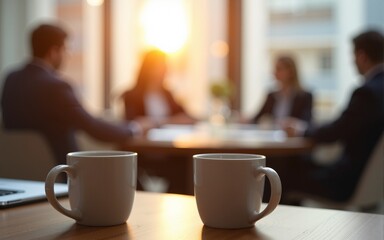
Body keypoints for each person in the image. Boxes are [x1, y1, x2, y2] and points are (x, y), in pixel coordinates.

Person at [1, 23, 147, 165]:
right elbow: (93, 128)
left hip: (16, 173)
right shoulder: (56, 87)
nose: (68, 55)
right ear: (53, 52)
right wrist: (134, 128)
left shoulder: (10, 79)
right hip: (63, 174)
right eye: (66, 49)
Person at [281, 29, 384, 203]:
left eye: (353, 55)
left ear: (362, 56)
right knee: (296, 164)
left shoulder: (367, 93)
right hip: (366, 177)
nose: (352, 61)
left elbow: (336, 132)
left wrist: (302, 130)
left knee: (278, 174)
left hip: (345, 181)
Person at [121, 49, 194, 126]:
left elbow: (184, 117)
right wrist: (169, 121)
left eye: (165, 66)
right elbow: (134, 123)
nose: (165, 70)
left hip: (169, 137)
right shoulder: (131, 96)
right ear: (149, 69)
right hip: (144, 138)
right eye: (160, 66)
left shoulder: (167, 95)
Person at [250, 56, 313, 128]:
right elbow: (257, 118)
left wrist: (292, 123)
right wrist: (246, 120)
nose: (274, 73)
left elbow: (307, 122)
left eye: (279, 69)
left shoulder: (305, 96)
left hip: (293, 137)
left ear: (291, 72)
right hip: (273, 136)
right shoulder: (272, 96)